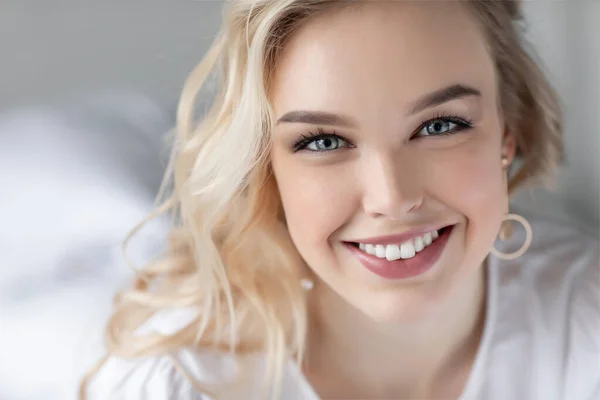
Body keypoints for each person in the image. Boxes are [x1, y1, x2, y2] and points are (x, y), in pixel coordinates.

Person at [82, 1, 599, 399]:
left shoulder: (584, 322)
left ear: (507, 135)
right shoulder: (180, 381)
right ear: (266, 168)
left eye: (440, 126)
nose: (392, 199)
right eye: (324, 142)